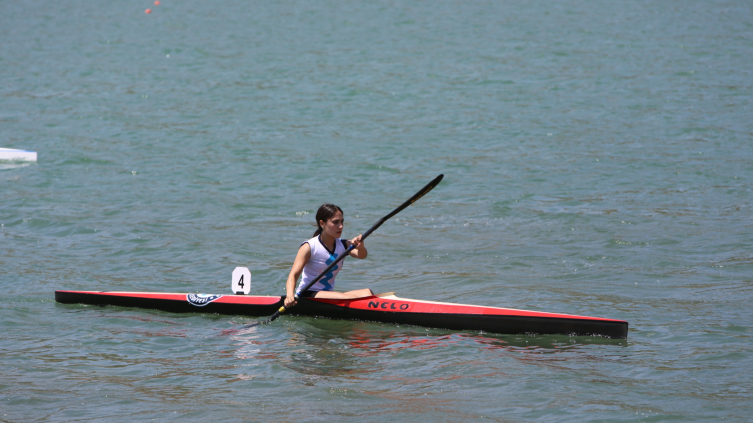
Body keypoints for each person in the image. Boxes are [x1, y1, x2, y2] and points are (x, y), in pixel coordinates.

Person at [284, 204, 373, 308]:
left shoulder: (343, 245)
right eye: (336, 222)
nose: (341, 226)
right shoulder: (309, 247)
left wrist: (361, 246)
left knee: (368, 293)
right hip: (308, 294)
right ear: (322, 223)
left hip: (328, 295)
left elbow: (362, 255)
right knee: (350, 298)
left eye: (342, 221)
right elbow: (293, 275)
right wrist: (289, 296)